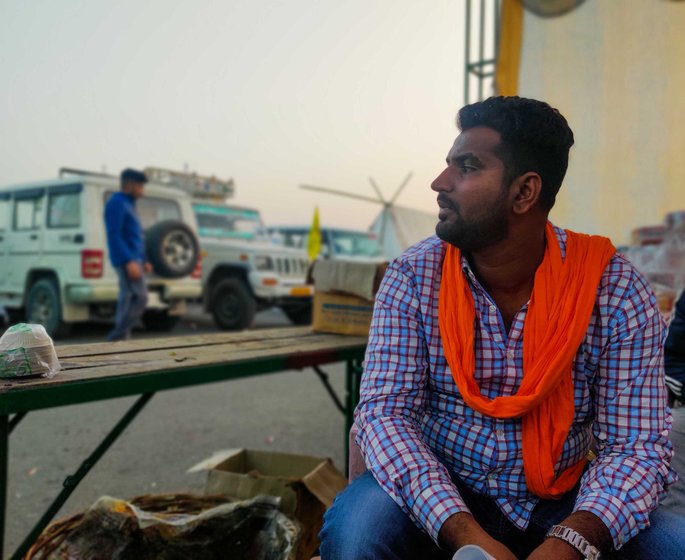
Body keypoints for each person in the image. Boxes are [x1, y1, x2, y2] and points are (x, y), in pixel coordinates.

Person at [319, 97, 683, 559]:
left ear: (524, 192)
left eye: (466, 167)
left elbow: (637, 446)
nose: (439, 182)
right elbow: (385, 414)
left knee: (674, 545)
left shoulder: (611, 287)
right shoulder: (413, 276)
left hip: (563, 501)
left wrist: (570, 542)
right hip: (444, 492)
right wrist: (467, 536)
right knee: (358, 531)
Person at [105, 168, 151, 342]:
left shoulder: (129, 204)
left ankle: (121, 340)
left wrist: (144, 259)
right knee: (141, 297)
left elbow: (135, 235)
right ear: (129, 185)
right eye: (140, 186)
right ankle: (116, 337)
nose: (142, 190)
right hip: (127, 260)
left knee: (127, 298)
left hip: (135, 259)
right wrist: (128, 260)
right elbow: (114, 234)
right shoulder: (117, 203)